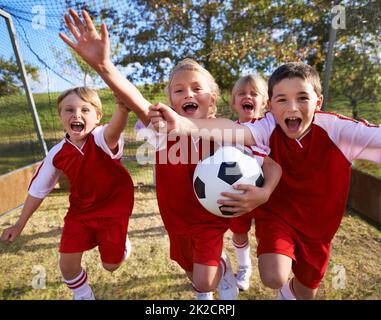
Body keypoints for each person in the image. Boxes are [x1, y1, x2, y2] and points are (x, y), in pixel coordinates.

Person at [58, 9, 282, 300]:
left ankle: (219, 274)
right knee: (189, 269)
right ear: (171, 99)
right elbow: (135, 98)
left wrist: (263, 194)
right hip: (175, 221)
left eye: (196, 88)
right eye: (179, 90)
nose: (187, 94)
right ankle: (218, 271)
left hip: (209, 222)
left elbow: (271, 165)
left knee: (203, 282)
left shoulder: (226, 134)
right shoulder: (162, 130)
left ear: (212, 98)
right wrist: (104, 65)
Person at [148, 62, 381, 299]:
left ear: (318, 102)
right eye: (282, 99)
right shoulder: (266, 126)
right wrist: (182, 124)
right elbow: (232, 130)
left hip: (319, 228)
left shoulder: (337, 129)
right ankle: (243, 267)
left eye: (302, 98)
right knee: (273, 276)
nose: (291, 107)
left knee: (306, 293)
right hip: (275, 214)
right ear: (271, 106)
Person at [0, 87, 134, 300]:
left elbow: (113, 132)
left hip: (112, 211)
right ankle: (83, 295)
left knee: (110, 266)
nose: (76, 115)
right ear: (60, 116)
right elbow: (38, 190)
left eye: (85, 110)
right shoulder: (57, 153)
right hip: (80, 213)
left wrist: (122, 110)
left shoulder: (100, 137)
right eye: (69, 110)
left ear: (97, 117)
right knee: (67, 265)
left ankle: (122, 244)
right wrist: (19, 224)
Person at [228, 74, 268, 291]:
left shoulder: (269, 127)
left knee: (267, 236)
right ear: (234, 102)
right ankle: (244, 266)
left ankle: (271, 267)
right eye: (241, 94)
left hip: (267, 195)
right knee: (239, 232)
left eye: (254, 93)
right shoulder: (226, 130)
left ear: (265, 102)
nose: (247, 96)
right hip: (239, 193)